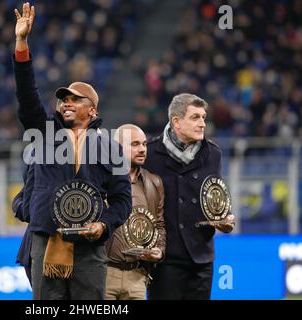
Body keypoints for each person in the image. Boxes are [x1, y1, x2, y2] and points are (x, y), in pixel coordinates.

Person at [12, 2, 132, 300]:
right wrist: (22, 43)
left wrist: (103, 225)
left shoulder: (109, 147)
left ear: (92, 110)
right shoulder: (44, 133)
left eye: (74, 99)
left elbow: (122, 200)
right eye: (62, 99)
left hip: (90, 248)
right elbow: (27, 97)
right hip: (46, 240)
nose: (65, 103)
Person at [144, 93, 236, 300]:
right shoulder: (149, 154)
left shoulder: (213, 153)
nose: (203, 123)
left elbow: (216, 193)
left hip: (201, 257)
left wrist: (226, 217)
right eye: (195, 117)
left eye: (203, 117)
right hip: (165, 258)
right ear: (176, 121)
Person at [104, 124, 166, 300]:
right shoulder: (101, 178)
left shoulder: (154, 183)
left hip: (138, 276)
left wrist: (159, 251)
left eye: (144, 144)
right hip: (105, 273)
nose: (142, 149)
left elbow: (159, 225)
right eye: (135, 144)